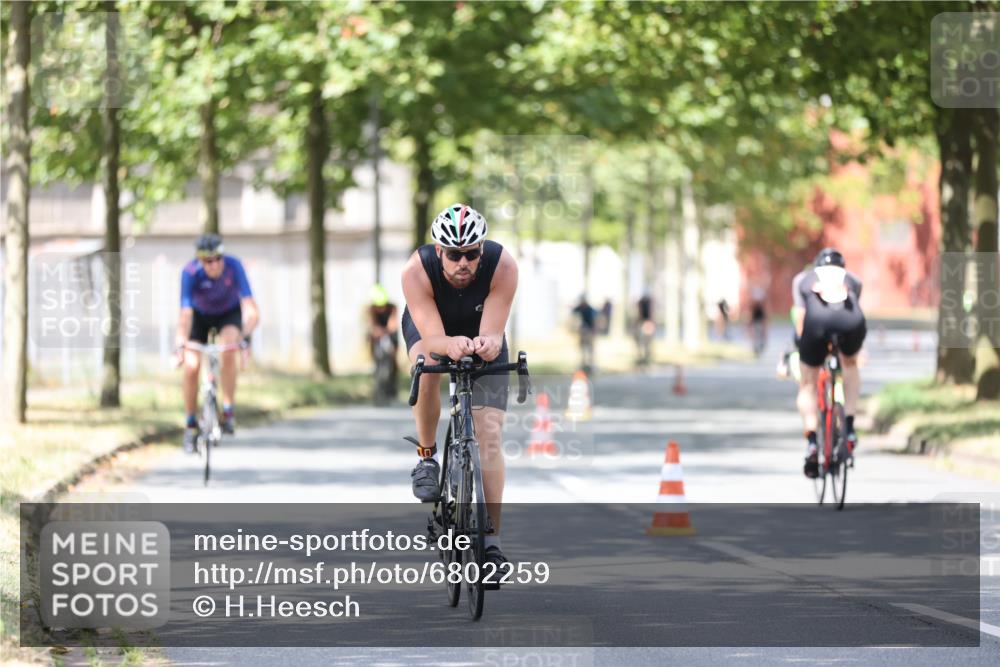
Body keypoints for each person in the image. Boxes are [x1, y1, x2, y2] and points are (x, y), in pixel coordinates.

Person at [400, 203, 518, 568]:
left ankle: (492, 544)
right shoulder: (416, 270)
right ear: (440, 252)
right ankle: (426, 457)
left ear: (482, 250)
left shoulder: (503, 266)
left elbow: (494, 335)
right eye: (454, 255)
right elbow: (433, 337)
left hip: (480, 329)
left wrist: (489, 344)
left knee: (489, 434)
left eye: (471, 254)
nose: (463, 262)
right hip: (432, 329)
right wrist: (448, 343)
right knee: (428, 364)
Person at [174, 233, 259, 453]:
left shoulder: (234, 266)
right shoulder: (190, 272)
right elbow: (185, 314)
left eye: (218, 259)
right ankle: (191, 424)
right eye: (208, 261)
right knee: (192, 366)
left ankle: (228, 410)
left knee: (229, 347)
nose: (214, 265)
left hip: (227, 315)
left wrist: (246, 335)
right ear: (200, 261)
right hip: (200, 317)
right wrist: (181, 341)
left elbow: (251, 310)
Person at [793, 248, 866, 478]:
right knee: (850, 366)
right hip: (850, 323)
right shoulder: (853, 279)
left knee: (808, 384)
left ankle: (813, 442)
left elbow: (800, 318)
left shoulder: (802, 280)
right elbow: (854, 308)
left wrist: (800, 346)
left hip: (817, 322)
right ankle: (850, 426)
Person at [367, 283, 399, 399]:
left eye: (383, 306)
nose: (381, 309)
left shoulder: (392, 307)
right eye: (378, 306)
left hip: (390, 334)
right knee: (375, 355)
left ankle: (393, 385)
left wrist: (388, 331)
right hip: (377, 335)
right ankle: (377, 387)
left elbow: (393, 325)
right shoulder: (370, 309)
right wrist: (377, 332)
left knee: (393, 358)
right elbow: (372, 325)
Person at [572, 294, 598, 373]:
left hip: (589, 331)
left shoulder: (590, 309)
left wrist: (593, 331)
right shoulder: (578, 309)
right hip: (582, 331)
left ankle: (591, 364)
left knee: (590, 348)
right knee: (582, 347)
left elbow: (594, 320)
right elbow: (573, 314)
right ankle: (583, 364)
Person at [636, 292, 655, 367]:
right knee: (645, 341)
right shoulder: (644, 302)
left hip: (646, 322)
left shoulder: (647, 302)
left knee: (646, 341)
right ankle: (644, 357)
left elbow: (650, 312)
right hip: (645, 322)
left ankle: (646, 357)